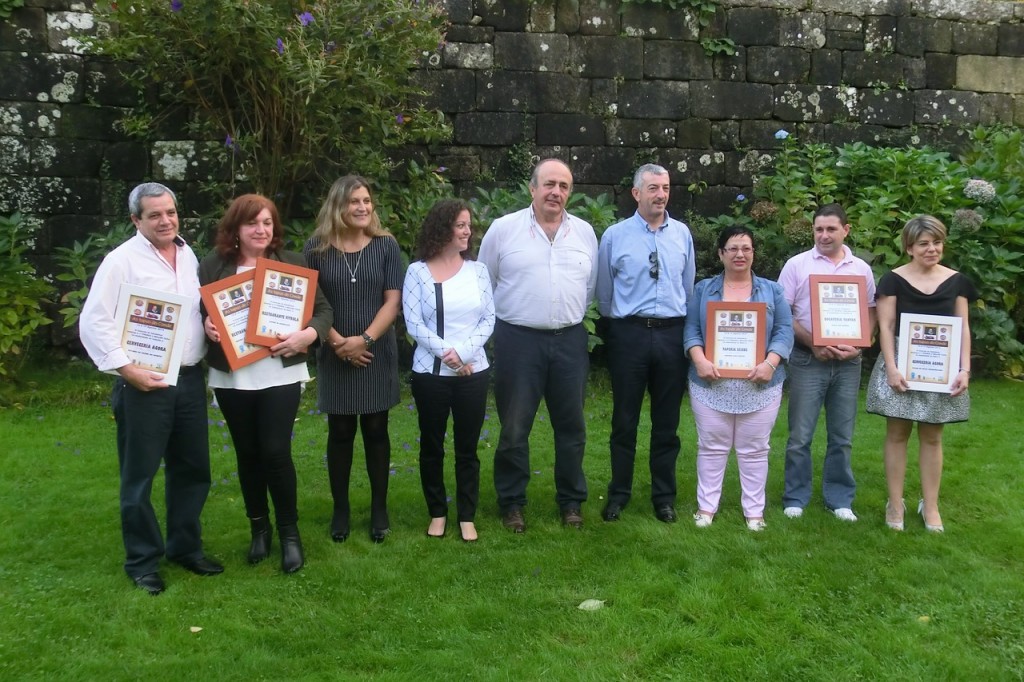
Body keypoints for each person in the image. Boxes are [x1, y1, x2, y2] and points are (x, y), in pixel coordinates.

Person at [80, 182, 222, 595]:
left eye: (170, 212)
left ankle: (185, 548)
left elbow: (192, 309)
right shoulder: (120, 261)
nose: (165, 221)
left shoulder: (188, 254)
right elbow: (94, 321)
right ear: (135, 220)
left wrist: (207, 323)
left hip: (189, 379)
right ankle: (142, 561)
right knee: (139, 476)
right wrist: (127, 370)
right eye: (155, 215)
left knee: (192, 469)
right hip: (144, 383)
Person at [199, 194, 333, 573]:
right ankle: (259, 528)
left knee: (275, 451)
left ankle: (290, 533)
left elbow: (323, 310)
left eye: (268, 222)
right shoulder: (212, 266)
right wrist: (206, 324)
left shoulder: (292, 263)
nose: (261, 230)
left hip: (279, 372)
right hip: (233, 375)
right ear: (235, 228)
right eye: (252, 223)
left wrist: (308, 335)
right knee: (247, 453)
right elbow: (200, 311)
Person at [477, 158, 598, 532]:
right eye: (549, 184)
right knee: (514, 426)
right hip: (518, 341)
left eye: (563, 186)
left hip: (570, 340)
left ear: (570, 193)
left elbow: (589, 287)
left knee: (572, 426)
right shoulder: (503, 230)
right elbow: (484, 282)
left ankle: (571, 501)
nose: (555, 192)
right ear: (532, 188)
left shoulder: (584, 233)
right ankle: (512, 502)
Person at [304, 175, 402, 544]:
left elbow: (392, 301)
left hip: (375, 351)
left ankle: (379, 508)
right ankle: (341, 509)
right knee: (341, 432)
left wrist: (363, 340)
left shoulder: (386, 245)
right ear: (337, 205)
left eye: (366, 200)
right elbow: (308, 301)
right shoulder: (315, 248)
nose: (362, 207)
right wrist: (338, 344)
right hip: (334, 352)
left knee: (377, 430)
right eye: (353, 201)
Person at [595, 164, 695, 523]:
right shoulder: (615, 236)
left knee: (667, 423)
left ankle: (664, 497)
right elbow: (604, 293)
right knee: (624, 420)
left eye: (665, 187)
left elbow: (687, 287)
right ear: (636, 193)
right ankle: (618, 494)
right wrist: (624, 326)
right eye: (653, 188)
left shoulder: (682, 234)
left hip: (671, 334)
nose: (661, 195)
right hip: (629, 334)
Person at [866, 215, 977, 533]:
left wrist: (965, 369)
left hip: (941, 366)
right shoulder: (892, 280)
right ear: (909, 247)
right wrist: (891, 368)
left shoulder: (957, 281)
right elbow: (886, 326)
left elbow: (963, 328)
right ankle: (895, 503)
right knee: (897, 434)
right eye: (924, 244)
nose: (932, 249)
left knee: (932, 436)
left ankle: (930, 506)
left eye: (937, 242)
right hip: (902, 363)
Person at [683, 226, 793, 530]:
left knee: (755, 449)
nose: (740, 254)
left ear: (754, 253)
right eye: (732, 248)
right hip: (710, 383)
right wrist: (699, 359)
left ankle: (754, 512)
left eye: (746, 248)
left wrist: (771, 363)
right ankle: (706, 508)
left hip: (761, 384)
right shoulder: (704, 289)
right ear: (721, 254)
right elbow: (691, 329)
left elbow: (784, 330)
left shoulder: (772, 290)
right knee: (711, 446)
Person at [403, 199, 495, 543]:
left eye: (469, 225)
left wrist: (465, 353)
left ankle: (467, 515)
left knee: (467, 448)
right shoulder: (417, 272)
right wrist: (449, 356)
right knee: (432, 445)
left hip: (474, 374)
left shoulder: (478, 271)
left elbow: (489, 318)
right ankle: (438, 512)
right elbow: (413, 322)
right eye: (460, 225)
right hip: (430, 375)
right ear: (442, 229)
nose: (468, 231)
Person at [778, 204, 876, 522]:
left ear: (846, 230)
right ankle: (795, 497)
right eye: (818, 229)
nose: (823, 235)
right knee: (799, 437)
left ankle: (839, 499)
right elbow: (783, 314)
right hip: (807, 360)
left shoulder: (861, 269)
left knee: (842, 437)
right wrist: (813, 343)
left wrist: (860, 346)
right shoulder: (797, 265)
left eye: (831, 229)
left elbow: (870, 311)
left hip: (848, 364)